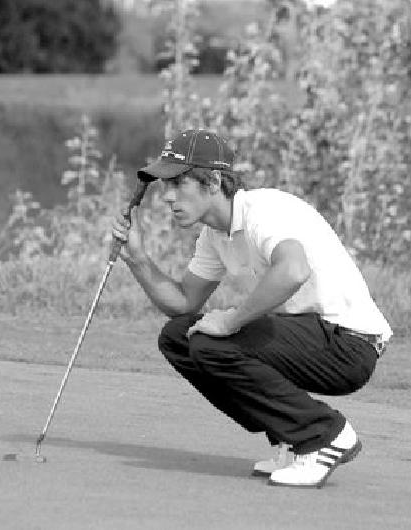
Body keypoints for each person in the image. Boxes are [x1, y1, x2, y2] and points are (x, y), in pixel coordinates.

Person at [111, 129, 392, 489]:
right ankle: (289, 438)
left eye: (177, 184)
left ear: (212, 182)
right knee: (179, 337)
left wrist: (229, 321)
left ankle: (325, 435)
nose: (166, 197)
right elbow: (183, 304)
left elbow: (292, 271)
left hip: (350, 345)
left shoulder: (265, 210)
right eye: (164, 186)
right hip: (311, 339)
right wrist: (137, 258)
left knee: (211, 342)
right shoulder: (215, 235)